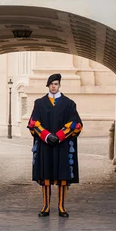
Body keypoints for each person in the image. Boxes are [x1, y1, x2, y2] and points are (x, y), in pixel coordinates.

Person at [28, 73, 82, 218]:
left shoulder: (69, 104)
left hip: (62, 146)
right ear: (48, 85)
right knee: (45, 176)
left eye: (56, 84)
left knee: (62, 177)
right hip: (45, 146)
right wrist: (46, 136)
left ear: (59, 85)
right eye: (51, 84)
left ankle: (61, 207)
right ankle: (45, 206)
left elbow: (75, 124)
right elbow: (33, 122)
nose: (54, 86)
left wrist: (58, 136)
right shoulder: (39, 103)